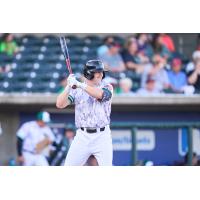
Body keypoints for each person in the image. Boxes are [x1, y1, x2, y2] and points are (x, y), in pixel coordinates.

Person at [56, 60, 113, 166]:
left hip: (102, 136)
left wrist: (79, 85)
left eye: (102, 72)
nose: (101, 75)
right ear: (89, 74)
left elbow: (100, 95)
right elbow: (60, 104)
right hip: (82, 136)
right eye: (98, 72)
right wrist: (68, 87)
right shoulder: (77, 89)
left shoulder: (107, 86)